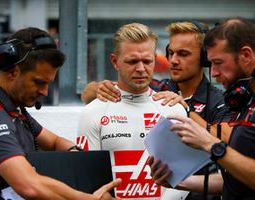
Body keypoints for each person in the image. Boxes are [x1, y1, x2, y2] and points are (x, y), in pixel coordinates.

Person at [81, 21, 234, 200]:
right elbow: (92, 92)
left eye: (183, 54)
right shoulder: (160, 89)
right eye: (171, 52)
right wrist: (102, 87)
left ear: (204, 58)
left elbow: (226, 142)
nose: (174, 60)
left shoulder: (217, 100)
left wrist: (187, 112)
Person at [0, 27, 121, 200]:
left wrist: (77, 155)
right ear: (13, 72)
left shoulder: (12, 110)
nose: (44, 92)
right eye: (39, 82)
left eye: (48, 84)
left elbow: (54, 141)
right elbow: (29, 185)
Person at [149, 17, 255, 200]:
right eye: (211, 63)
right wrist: (178, 181)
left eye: (218, 62)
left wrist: (210, 144)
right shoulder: (244, 99)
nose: (213, 72)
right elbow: (234, 179)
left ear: (246, 55)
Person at [76, 23, 187, 200]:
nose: (141, 68)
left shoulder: (174, 109)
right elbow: (87, 177)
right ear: (115, 61)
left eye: (147, 61)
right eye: (132, 61)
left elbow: (183, 173)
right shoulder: (93, 112)